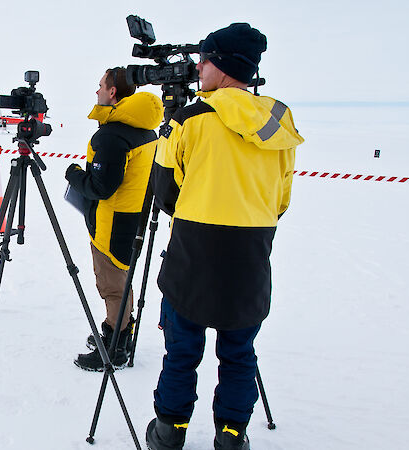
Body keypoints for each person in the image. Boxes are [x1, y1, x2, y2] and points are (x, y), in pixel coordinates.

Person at [145, 24, 304, 450]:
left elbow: (164, 193)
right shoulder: (278, 122)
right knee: (239, 353)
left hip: (193, 253)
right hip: (251, 254)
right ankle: (232, 434)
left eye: (205, 60)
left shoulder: (188, 119)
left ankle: (169, 430)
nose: (198, 68)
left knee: (182, 348)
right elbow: (281, 200)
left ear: (223, 65)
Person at [65, 67, 162, 371]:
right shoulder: (146, 130)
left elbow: (100, 187)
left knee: (111, 285)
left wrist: (74, 175)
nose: (96, 91)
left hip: (111, 223)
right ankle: (117, 332)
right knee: (122, 279)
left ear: (112, 93)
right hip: (132, 218)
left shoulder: (111, 135)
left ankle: (116, 348)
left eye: (100, 86)